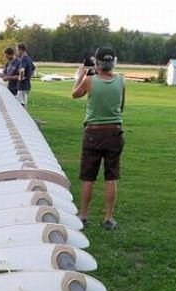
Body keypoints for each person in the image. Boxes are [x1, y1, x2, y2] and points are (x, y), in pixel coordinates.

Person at [72, 46, 125, 230]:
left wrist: (79, 75)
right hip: (115, 132)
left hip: (94, 133)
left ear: (97, 62)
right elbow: (121, 106)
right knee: (111, 177)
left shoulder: (89, 80)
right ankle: (108, 218)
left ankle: (84, 215)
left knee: (89, 177)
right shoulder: (121, 81)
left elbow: (75, 94)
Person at [16, 42, 35, 109]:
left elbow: (22, 70)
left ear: (20, 50)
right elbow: (34, 68)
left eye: (17, 50)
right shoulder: (29, 58)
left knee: (20, 106)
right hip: (27, 85)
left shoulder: (23, 59)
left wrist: (20, 78)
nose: (17, 52)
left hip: (22, 86)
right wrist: (29, 77)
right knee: (24, 103)